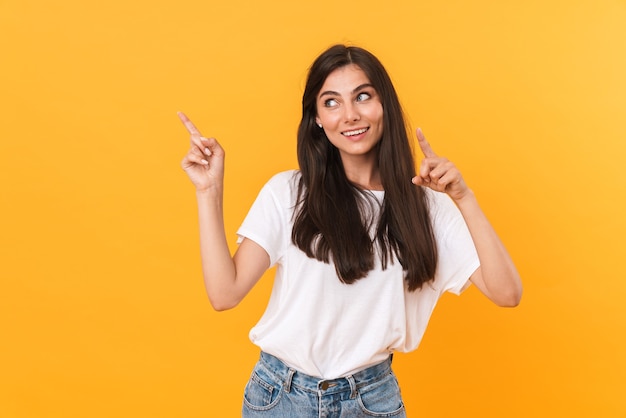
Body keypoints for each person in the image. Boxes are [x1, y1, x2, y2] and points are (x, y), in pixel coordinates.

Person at [179, 44, 522, 417]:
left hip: (370, 401)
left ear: (384, 105)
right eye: (331, 102)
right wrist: (208, 191)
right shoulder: (289, 193)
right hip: (279, 398)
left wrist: (464, 197)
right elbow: (224, 294)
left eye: (362, 96)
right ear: (317, 121)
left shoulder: (427, 207)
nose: (350, 115)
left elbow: (507, 292)